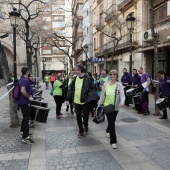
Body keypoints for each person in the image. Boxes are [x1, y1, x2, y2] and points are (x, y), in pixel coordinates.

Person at [66, 64, 95, 138]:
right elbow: (70, 88)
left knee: (85, 116)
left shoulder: (88, 78)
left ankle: (85, 124)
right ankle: (81, 131)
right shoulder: (75, 78)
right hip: (76, 101)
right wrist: (67, 99)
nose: (75, 71)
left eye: (76, 70)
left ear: (80, 70)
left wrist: (89, 97)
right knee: (78, 117)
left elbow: (93, 88)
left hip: (85, 101)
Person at [98, 69, 125, 149]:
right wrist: (100, 104)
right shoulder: (105, 85)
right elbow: (102, 96)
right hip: (107, 106)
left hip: (115, 107)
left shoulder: (119, 85)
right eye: (111, 74)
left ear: (116, 76)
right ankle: (113, 141)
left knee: (112, 121)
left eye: (114, 74)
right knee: (112, 123)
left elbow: (122, 95)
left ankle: (107, 130)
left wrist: (122, 102)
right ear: (109, 75)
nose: (112, 76)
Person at [18, 67, 34, 144]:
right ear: (27, 71)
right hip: (25, 102)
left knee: (25, 118)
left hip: (22, 102)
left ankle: (22, 133)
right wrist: (29, 97)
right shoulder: (25, 80)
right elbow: (23, 90)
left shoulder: (21, 79)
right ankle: (26, 137)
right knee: (26, 119)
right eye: (29, 71)